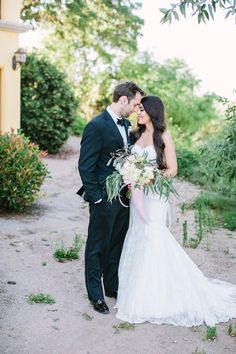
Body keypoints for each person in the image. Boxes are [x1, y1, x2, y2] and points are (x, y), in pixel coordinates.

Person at [116, 95, 236, 326]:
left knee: (154, 236)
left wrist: (149, 176)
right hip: (138, 196)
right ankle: (138, 292)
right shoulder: (136, 135)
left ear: (153, 112)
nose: (138, 113)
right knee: (138, 234)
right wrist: (132, 175)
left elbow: (172, 169)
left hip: (155, 195)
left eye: (142, 109)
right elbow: (129, 162)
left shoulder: (164, 136)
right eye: (137, 109)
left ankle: (160, 296)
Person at [78, 81, 145, 314]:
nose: (137, 109)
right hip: (103, 198)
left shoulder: (126, 124)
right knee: (97, 245)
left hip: (123, 196)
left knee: (116, 243)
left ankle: (112, 287)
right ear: (123, 100)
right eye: (135, 104)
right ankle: (95, 295)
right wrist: (97, 198)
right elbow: (85, 166)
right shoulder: (96, 125)